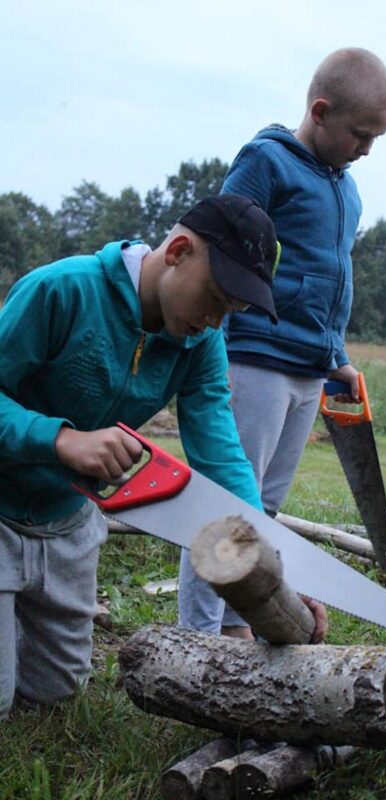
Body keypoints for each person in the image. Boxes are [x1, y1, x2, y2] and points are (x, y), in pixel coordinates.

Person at [0, 194, 327, 720]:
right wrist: (61, 440)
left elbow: (221, 456)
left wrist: (277, 570)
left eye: (229, 313)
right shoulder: (62, 290)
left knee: (53, 700)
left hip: (64, 528)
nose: (214, 321)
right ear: (177, 251)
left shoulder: (199, 343)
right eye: (215, 299)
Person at [179, 48, 386, 638]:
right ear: (320, 111)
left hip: (309, 370)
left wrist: (339, 359)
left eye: (377, 138)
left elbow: (332, 282)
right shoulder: (267, 161)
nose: (367, 149)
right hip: (254, 358)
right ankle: (197, 637)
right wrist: (211, 354)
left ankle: (235, 622)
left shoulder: (348, 191)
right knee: (226, 507)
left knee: (264, 509)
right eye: (360, 134)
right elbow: (219, 249)